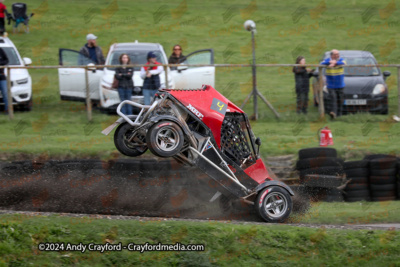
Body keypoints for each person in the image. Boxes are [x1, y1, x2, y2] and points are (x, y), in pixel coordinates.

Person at [321, 49, 346, 119]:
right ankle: (333, 114)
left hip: (340, 85)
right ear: (332, 55)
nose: (338, 55)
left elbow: (344, 63)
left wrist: (335, 63)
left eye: (338, 54)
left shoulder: (341, 60)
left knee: (340, 100)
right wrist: (330, 62)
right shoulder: (327, 60)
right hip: (331, 85)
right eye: (336, 54)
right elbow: (322, 64)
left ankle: (339, 115)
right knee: (333, 99)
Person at [0, 47, 8, 114]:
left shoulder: (1, 50)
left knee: (5, 93)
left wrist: (0, 63)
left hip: (1, 76)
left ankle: (7, 110)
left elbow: (6, 60)